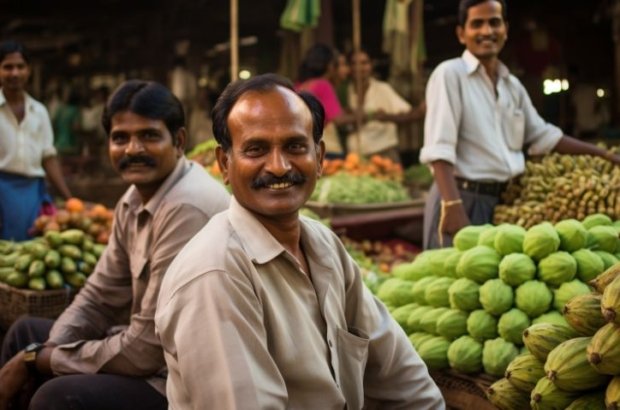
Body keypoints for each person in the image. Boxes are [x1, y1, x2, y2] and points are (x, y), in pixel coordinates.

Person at [155, 73, 444, 409]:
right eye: (256, 149)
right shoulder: (215, 273)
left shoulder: (323, 244)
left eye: (294, 146)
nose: (278, 167)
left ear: (320, 158)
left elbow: (402, 375)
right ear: (224, 163)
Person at [0, 80, 231, 410]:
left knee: (55, 397)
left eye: (149, 136)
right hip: (149, 355)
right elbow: (98, 296)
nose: (132, 149)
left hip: (179, 379)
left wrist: (42, 360)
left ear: (179, 142)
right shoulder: (135, 198)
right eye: (120, 138)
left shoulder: (186, 207)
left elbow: (146, 350)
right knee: (26, 333)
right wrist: (43, 352)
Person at [419, 0, 620, 250]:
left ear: (505, 29)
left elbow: (544, 136)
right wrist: (452, 205)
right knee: (448, 285)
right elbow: (439, 147)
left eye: (494, 22)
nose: (486, 31)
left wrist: (605, 154)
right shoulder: (450, 74)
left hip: (500, 201)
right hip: (460, 197)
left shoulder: (511, 85)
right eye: (476, 24)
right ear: (461, 33)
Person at [0, 40, 72, 241]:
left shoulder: (39, 111)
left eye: (20, 66)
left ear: (28, 70)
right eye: (8, 67)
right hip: (2, 191)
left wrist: (68, 198)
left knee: (32, 249)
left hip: (33, 193)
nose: (14, 73)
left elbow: (48, 157)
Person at [346, 49, 426, 164]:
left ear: (371, 65)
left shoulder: (383, 89)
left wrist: (386, 117)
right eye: (354, 63)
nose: (360, 68)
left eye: (364, 63)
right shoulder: (345, 91)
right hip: (354, 157)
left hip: (384, 153)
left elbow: (407, 114)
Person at [296, 43, 359, 158]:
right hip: (324, 147)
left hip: (304, 146)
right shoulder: (323, 85)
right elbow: (338, 120)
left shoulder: (300, 85)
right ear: (330, 66)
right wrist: (363, 116)